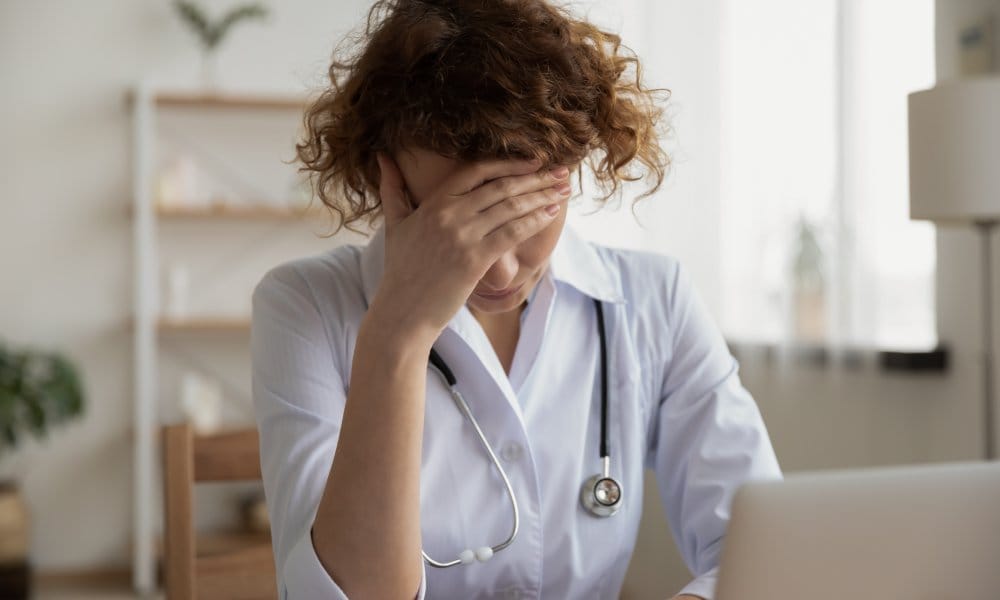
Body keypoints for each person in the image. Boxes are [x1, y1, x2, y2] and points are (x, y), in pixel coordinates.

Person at [250, 1, 782, 598]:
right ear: (389, 181)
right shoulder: (305, 308)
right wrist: (397, 334)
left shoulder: (655, 301)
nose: (500, 268)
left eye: (527, 215)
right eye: (456, 226)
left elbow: (765, 555)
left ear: (573, 165)